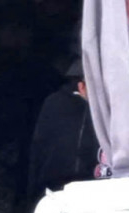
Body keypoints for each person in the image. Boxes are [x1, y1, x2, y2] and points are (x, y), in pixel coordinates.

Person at [28, 59, 98, 198]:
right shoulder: (56, 103)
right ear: (81, 84)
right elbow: (39, 147)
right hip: (57, 187)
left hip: (93, 185)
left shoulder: (102, 108)